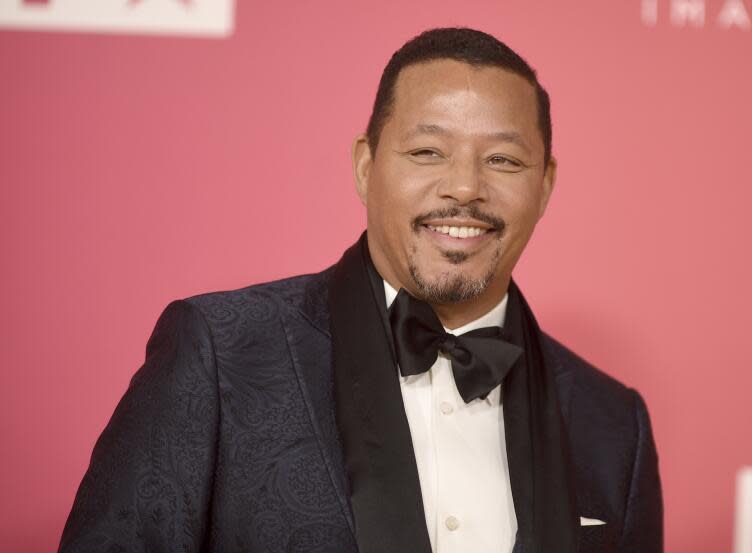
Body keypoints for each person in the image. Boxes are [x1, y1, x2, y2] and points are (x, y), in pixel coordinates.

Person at [58, 27, 663, 553]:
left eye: (503, 161)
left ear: (546, 185)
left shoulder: (612, 423)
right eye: (428, 151)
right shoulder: (221, 353)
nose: (464, 189)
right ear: (365, 167)